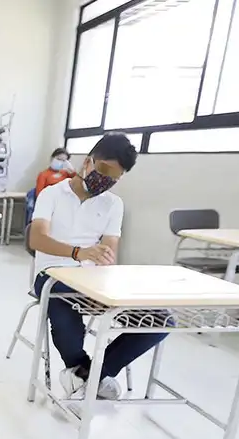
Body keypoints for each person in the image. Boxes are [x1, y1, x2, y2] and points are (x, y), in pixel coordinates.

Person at [29, 133, 161, 401]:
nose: (106, 181)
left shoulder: (113, 204)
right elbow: (37, 239)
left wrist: (101, 260)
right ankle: (89, 374)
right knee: (63, 309)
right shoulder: (52, 194)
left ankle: (88, 375)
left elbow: (109, 250)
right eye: (104, 171)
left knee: (161, 320)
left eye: (115, 177)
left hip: (92, 279)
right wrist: (79, 253)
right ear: (88, 162)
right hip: (51, 274)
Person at [27, 148, 76, 225]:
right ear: (52, 158)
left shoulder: (65, 174)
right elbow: (39, 194)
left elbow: (76, 182)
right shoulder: (43, 174)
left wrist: (72, 171)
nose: (60, 162)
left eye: (63, 161)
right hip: (49, 205)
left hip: (64, 205)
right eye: (58, 159)